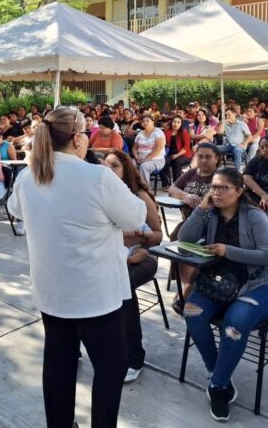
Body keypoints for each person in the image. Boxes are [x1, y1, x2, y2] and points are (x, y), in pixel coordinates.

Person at [7, 106, 146, 428]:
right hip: (95, 296)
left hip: (53, 292)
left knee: (59, 365)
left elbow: (16, 210)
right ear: (78, 138)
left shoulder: (29, 175)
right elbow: (136, 216)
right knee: (111, 367)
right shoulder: (96, 176)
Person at [178, 167, 268, 422]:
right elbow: (185, 238)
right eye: (213, 187)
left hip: (262, 286)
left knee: (234, 324)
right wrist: (201, 208)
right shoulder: (211, 214)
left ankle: (217, 386)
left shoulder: (255, 217)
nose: (215, 192)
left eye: (222, 188)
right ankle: (218, 372)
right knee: (192, 312)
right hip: (222, 283)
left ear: (239, 191)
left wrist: (227, 250)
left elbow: (266, 256)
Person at [102, 149, 163, 384]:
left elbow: (157, 236)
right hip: (114, 256)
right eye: (106, 166)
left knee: (122, 287)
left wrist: (133, 238)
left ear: (125, 169)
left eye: (115, 165)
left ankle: (134, 357)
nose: (110, 170)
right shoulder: (102, 195)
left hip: (144, 256)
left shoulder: (139, 195)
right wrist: (126, 237)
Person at [167, 143, 220, 315]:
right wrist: (186, 195)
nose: (203, 160)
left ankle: (189, 288)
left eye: (208, 156)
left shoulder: (219, 177)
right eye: (200, 156)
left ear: (216, 159)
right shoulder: (191, 172)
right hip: (189, 221)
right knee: (175, 236)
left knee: (195, 246)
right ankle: (185, 284)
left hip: (210, 224)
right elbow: (171, 188)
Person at [132, 114, 166, 188]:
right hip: (140, 158)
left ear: (152, 122)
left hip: (156, 160)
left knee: (143, 167)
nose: (145, 122)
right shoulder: (140, 133)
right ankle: (133, 187)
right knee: (130, 164)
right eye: (143, 121)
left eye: (147, 121)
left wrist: (146, 159)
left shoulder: (158, 132)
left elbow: (159, 147)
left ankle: (145, 190)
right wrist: (137, 157)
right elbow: (134, 148)